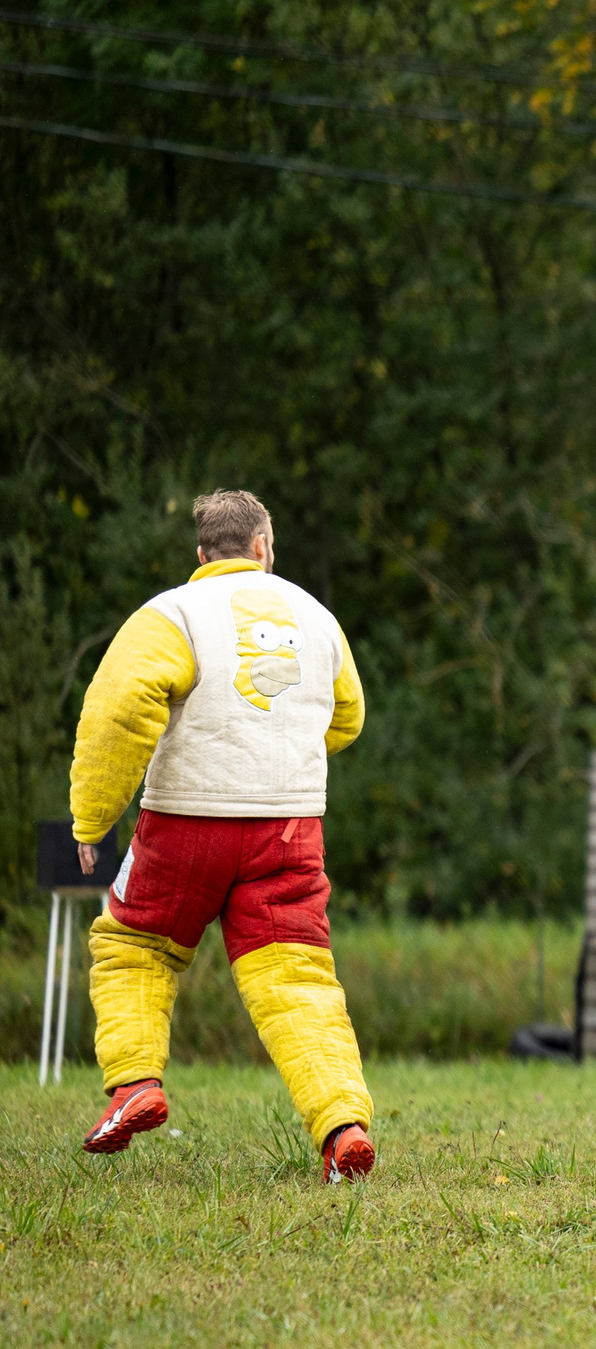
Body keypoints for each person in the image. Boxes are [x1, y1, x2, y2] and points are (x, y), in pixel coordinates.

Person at [68, 490, 376, 1182]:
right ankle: (342, 1129)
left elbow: (120, 712)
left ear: (202, 553)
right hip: (289, 829)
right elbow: (347, 716)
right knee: (297, 978)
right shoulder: (318, 618)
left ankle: (135, 1083)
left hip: (185, 825)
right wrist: (278, 752)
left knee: (134, 946)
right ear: (264, 547)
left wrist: (93, 818)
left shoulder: (171, 614)